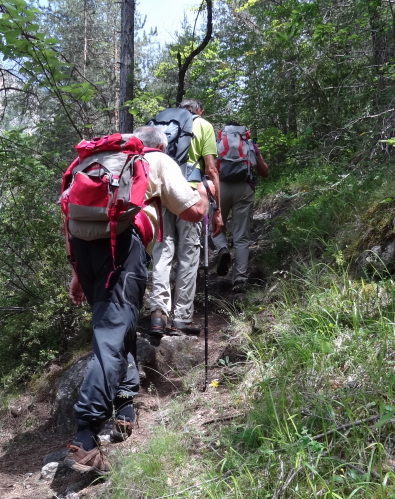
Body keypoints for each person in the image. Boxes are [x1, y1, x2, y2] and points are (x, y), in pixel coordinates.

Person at [63, 126, 210, 474]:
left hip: (85, 251)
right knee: (111, 339)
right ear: (160, 145)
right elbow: (192, 212)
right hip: (122, 249)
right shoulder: (156, 160)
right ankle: (85, 437)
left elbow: (68, 216)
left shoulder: (95, 162)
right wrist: (204, 192)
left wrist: (76, 272)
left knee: (121, 330)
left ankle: (125, 406)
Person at [149, 98, 223, 337]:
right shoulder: (203, 125)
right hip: (190, 193)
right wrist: (217, 210)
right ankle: (181, 317)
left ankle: (158, 314)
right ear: (200, 110)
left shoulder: (160, 123)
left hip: (161, 194)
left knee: (162, 252)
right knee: (189, 254)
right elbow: (211, 169)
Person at [213, 122, 269, 293]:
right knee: (242, 236)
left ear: (223, 132)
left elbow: (209, 168)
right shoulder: (249, 145)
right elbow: (264, 172)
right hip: (244, 188)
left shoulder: (217, 144)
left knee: (214, 226)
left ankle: (222, 248)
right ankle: (239, 279)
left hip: (220, 187)